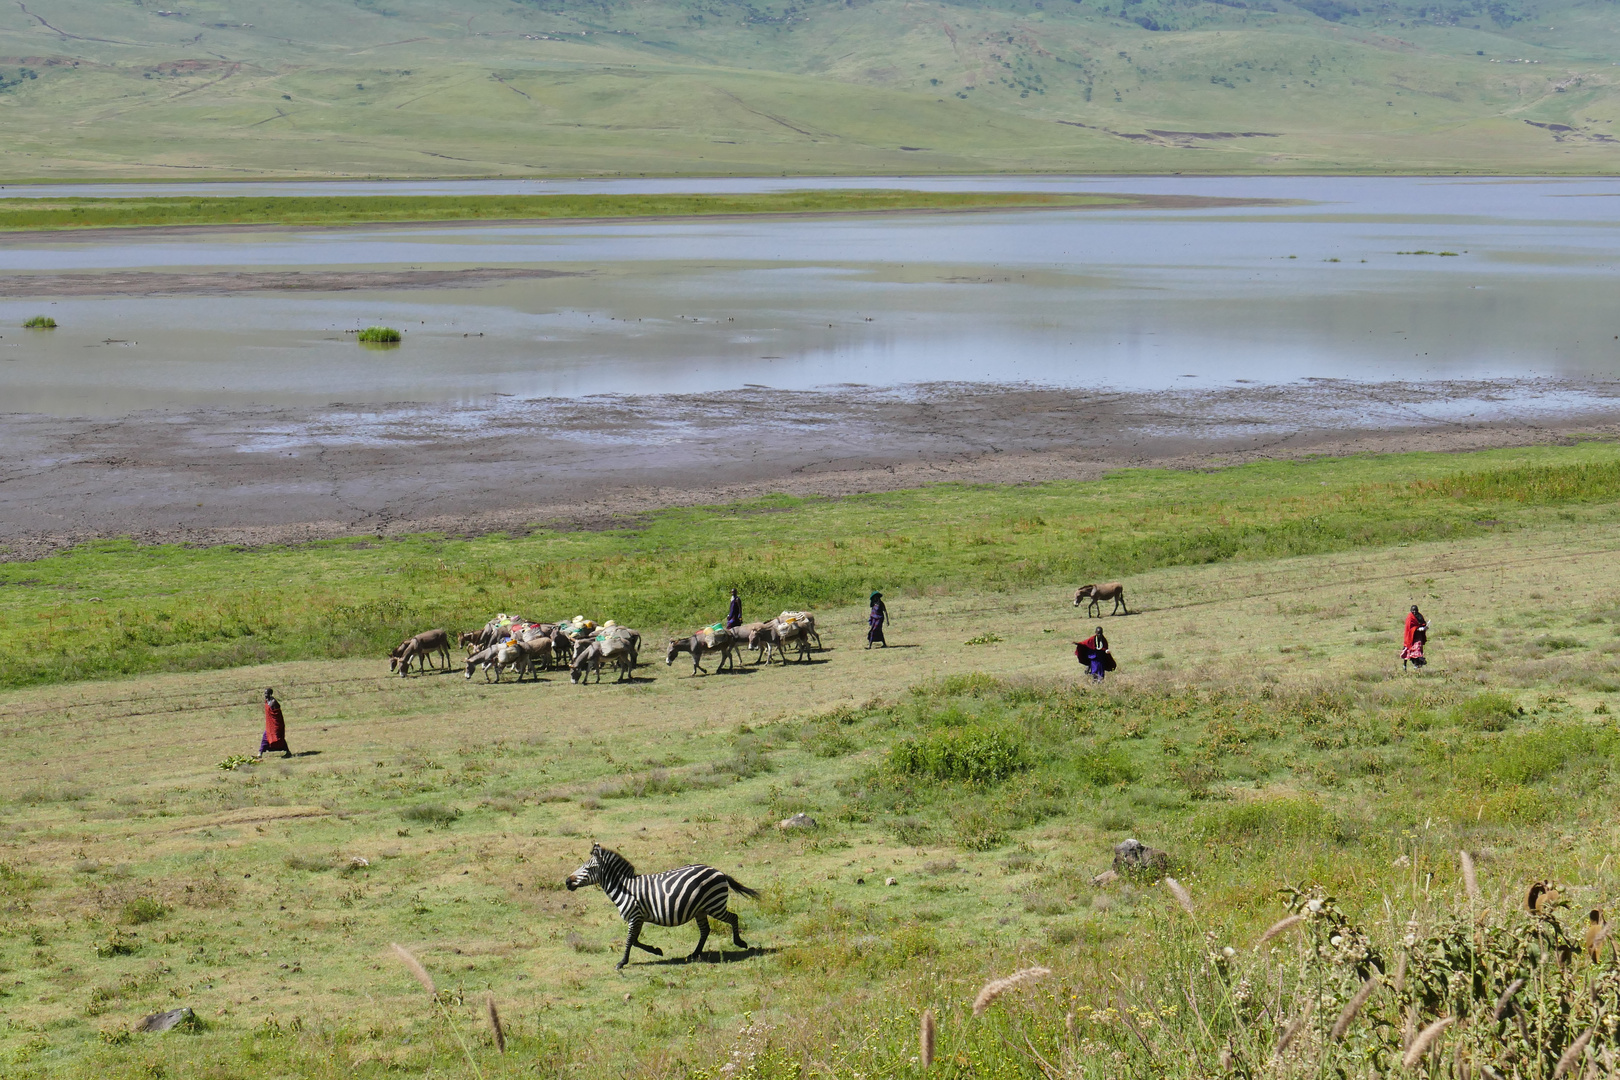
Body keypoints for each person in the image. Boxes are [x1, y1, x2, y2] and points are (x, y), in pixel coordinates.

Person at [259, 687, 291, 758]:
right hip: (270, 724)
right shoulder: (267, 701)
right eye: (264, 693)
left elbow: (276, 714)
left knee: (278, 738)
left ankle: (288, 751)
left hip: (276, 724)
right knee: (265, 736)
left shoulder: (273, 702)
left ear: (270, 694)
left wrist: (275, 723)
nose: (265, 695)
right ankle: (260, 753)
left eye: (266, 693)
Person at [1402, 605, 1429, 670]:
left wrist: (1424, 627)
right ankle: (1405, 665)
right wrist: (1417, 629)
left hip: (1418, 636)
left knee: (1418, 649)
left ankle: (1417, 664)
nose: (1414, 611)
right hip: (1411, 637)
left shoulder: (1419, 616)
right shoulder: (1410, 617)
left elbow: (1423, 623)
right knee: (1408, 650)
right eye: (1413, 610)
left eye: (1416, 610)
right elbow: (1409, 628)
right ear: (1411, 610)